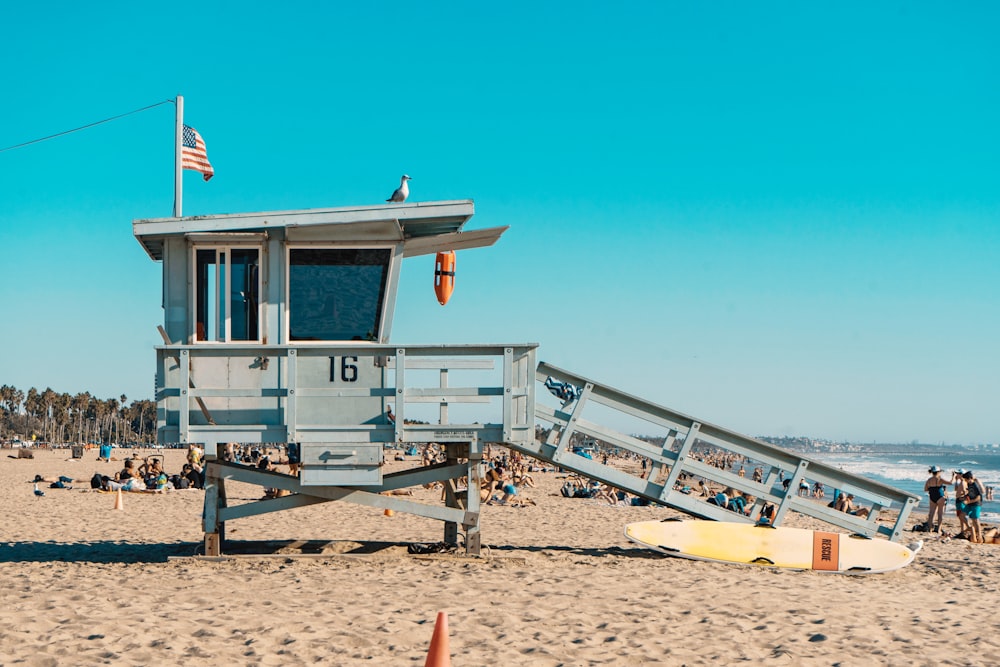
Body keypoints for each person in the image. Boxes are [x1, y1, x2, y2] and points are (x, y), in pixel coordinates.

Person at [924, 466, 949, 532]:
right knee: (940, 514)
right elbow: (950, 483)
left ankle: (930, 528)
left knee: (931, 513)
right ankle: (939, 529)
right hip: (940, 497)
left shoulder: (929, 480)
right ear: (938, 472)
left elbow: (925, 489)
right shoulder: (939, 479)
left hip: (932, 496)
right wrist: (953, 477)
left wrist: (932, 489)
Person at [962, 471, 986, 543]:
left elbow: (978, 497)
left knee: (975, 520)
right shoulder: (968, 484)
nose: (965, 481)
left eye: (966, 479)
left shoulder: (975, 485)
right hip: (970, 503)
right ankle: (970, 528)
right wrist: (965, 497)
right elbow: (969, 493)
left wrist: (968, 502)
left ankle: (980, 536)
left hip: (976, 504)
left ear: (970, 478)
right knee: (962, 515)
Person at [953, 468, 970, 537]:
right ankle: (963, 530)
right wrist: (956, 480)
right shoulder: (961, 482)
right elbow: (956, 489)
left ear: (961, 475)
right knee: (960, 517)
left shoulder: (963, 482)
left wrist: (963, 497)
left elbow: (965, 491)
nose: (957, 475)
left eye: (958, 474)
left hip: (960, 500)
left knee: (961, 516)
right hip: (959, 500)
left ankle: (968, 527)